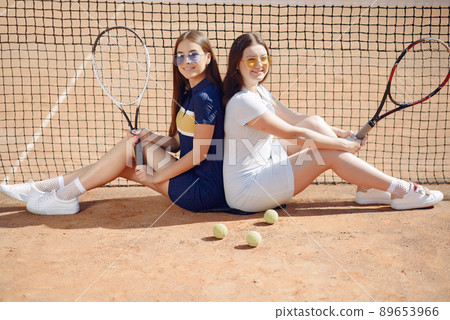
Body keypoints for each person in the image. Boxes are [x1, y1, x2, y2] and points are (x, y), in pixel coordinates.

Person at [0, 30, 226, 215]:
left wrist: (155, 176)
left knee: (131, 150)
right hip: (192, 179)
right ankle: (45, 190)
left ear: (208, 57)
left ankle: (59, 195)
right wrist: (150, 135)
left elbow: (199, 154)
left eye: (193, 55)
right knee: (120, 159)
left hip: (201, 190)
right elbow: (178, 142)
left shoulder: (205, 97)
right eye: (180, 55)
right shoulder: (192, 92)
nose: (186, 61)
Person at [221, 33, 443, 212]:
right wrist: (343, 146)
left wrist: (338, 133)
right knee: (326, 153)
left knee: (316, 123)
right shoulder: (244, 102)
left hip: (262, 160)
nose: (259, 65)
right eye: (251, 60)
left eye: (264, 58)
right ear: (237, 65)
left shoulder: (257, 90)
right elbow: (293, 133)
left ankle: (367, 187)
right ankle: (401, 190)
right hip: (248, 190)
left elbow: (296, 119)